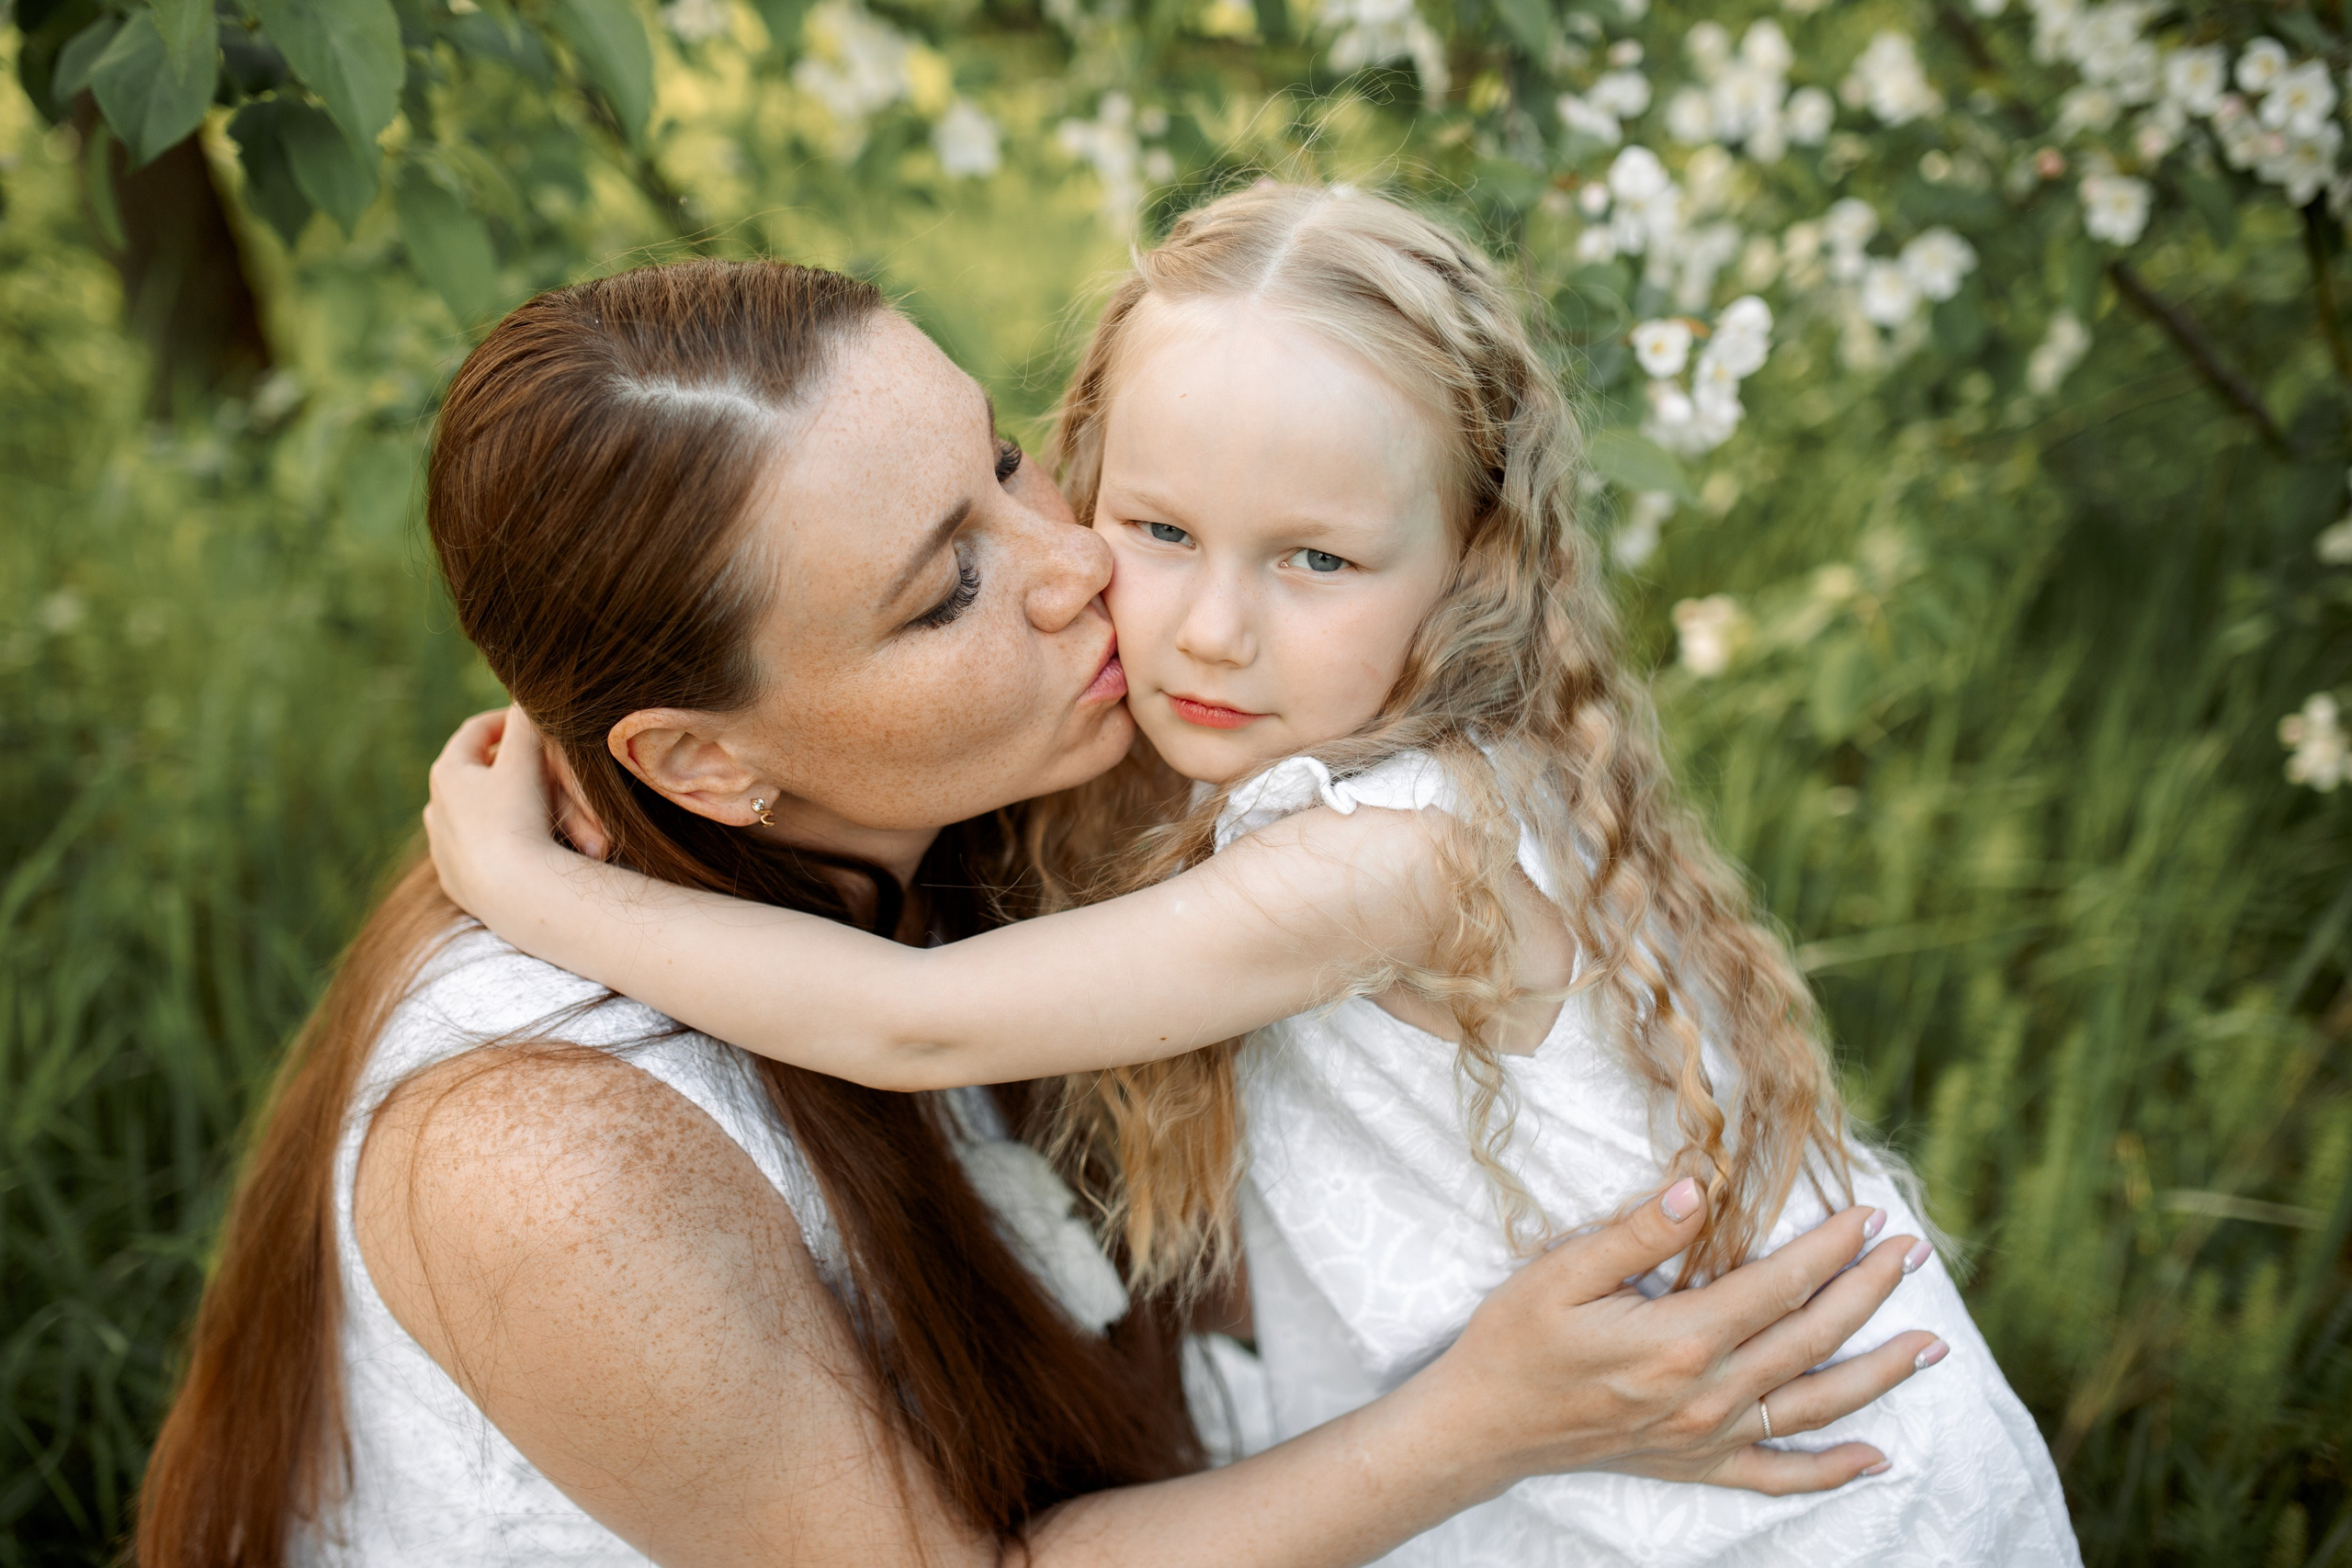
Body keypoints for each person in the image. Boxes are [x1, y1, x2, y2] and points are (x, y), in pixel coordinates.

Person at [420, 196, 2062, 1565]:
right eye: (1152, 522)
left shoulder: (1396, 857)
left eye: (1317, 559)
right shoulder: (1321, 746)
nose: (1203, 626)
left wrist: (542, 895)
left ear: (1474, 562)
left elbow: (915, 1025)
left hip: (1789, 1494)